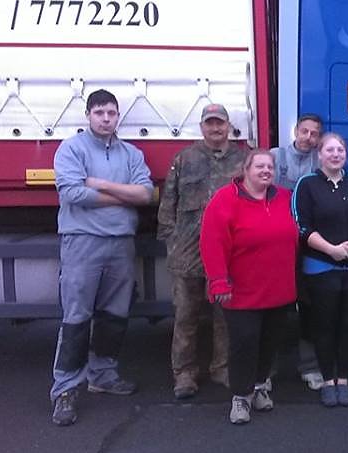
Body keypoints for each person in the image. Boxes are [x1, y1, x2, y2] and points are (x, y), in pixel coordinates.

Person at [50, 89, 154, 426]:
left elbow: (146, 194)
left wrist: (100, 185)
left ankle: (103, 375)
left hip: (121, 242)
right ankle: (65, 389)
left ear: (118, 116)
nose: (106, 119)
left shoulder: (131, 154)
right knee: (77, 318)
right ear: (88, 115)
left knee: (114, 314)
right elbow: (72, 193)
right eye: (99, 113)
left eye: (111, 113)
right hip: (83, 241)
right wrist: (124, 195)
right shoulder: (72, 149)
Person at [199, 149, 299, 424]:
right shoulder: (225, 200)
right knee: (244, 343)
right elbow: (212, 243)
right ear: (246, 170)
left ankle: (259, 386)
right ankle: (240, 397)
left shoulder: (284, 197)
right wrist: (218, 281)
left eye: (270, 167)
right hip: (241, 291)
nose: (266, 171)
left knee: (269, 342)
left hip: (278, 289)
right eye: (259, 166)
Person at [157, 103, 247, 400]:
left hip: (228, 250)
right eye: (210, 123)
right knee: (186, 316)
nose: (215, 128)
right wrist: (171, 241)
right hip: (188, 251)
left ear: (229, 126)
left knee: (226, 314)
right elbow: (168, 204)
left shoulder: (243, 159)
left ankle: (222, 367)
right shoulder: (185, 159)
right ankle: (184, 373)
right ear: (202, 127)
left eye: (220, 123)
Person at [293, 134, 348, 407]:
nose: (335, 154)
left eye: (340, 149)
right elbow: (301, 225)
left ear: (346, 154)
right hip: (322, 267)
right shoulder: (307, 185)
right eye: (329, 150)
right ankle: (328, 381)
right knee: (325, 325)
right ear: (320, 154)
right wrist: (331, 249)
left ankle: (343, 379)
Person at [270, 114, 325, 391]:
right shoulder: (274, 157)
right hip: (275, 244)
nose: (308, 138)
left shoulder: (321, 161)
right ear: (296, 131)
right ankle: (266, 371)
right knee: (270, 308)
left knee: (309, 307)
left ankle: (310, 367)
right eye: (305, 131)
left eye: (314, 134)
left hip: (308, 244)